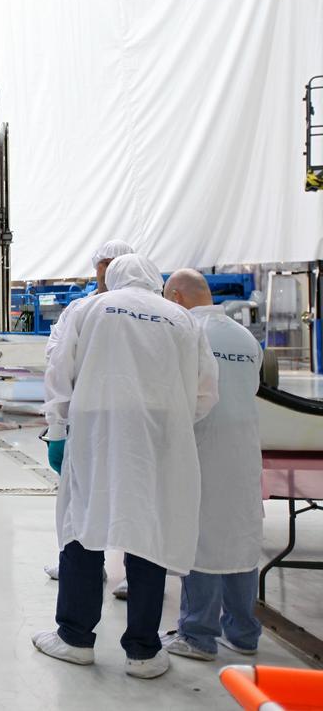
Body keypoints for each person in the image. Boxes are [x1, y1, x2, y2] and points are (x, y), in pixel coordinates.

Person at [34, 254, 218, 680]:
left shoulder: (87, 309)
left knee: (84, 523)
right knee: (148, 530)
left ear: (113, 278)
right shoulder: (181, 319)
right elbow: (207, 392)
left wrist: (57, 430)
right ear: (156, 281)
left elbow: (59, 373)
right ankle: (144, 650)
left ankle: (75, 638)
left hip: (97, 431)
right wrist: (168, 421)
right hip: (159, 437)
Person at [160, 269, 263, 660]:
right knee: (240, 534)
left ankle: (198, 634)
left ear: (177, 297)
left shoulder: (185, 332)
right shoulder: (245, 337)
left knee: (201, 536)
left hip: (202, 445)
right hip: (245, 448)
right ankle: (243, 632)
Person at [42, 238, 134, 589]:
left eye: (115, 263)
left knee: (131, 495)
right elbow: (56, 357)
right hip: (86, 417)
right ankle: (82, 566)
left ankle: (133, 571)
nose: (107, 270)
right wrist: (57, 425)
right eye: (103, 263)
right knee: (79, 498)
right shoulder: (79, 309)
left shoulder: (147, 311)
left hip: (129, 417)